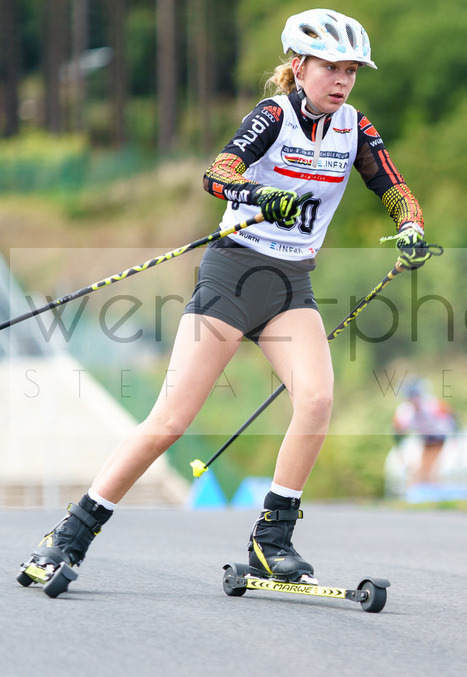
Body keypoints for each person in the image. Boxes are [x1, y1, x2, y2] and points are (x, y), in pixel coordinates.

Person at [20, 8, 432, 592]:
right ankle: (69, 535)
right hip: (232, 277)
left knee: (316, 400)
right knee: (170, 420)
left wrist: (410, 225)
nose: (342, 81)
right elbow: (218, 174)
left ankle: (271, 542)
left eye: (351, 71)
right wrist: (263, 195)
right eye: (331, 68)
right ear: (300, 67)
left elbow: (393, 187)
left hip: (290, 286)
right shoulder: (273, 116)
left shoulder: (355, 128)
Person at [392, 378, 457, 486]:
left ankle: (433, 488)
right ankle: (421, 489)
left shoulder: (432, 404)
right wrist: (399, 450)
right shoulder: (404, 411)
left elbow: (451, 416)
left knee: (430, 469)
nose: (415, 400)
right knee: (420, 469)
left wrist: (455, 437)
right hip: (424, 439)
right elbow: (398, 431)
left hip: (439, 437)